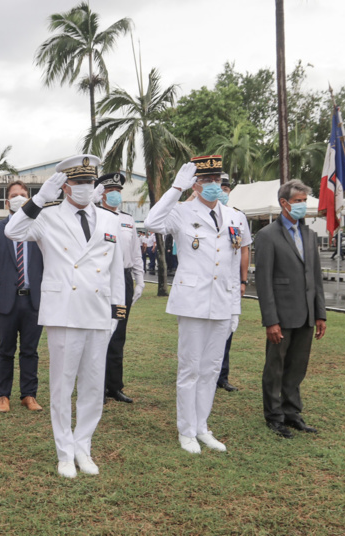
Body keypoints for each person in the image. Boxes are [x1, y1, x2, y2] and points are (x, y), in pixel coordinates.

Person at [6, 154, 125, 478]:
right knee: (62, 386)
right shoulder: (47, 216)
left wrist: (118, 313)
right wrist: (41, 197)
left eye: (89, 181)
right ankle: (64, 451)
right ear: (66, 185)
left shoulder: (111, 220)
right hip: (63, 313)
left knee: (92, 385)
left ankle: (83, 446)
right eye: (78, 182)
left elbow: (117, 272)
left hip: (100, 312)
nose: (85, 188)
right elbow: (13, 231)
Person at [144, 155, 241, 454]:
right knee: (190, 369)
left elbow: (235, 264)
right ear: (195, 184)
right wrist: (176, 188)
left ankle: (202, 426)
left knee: (211, 368)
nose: (213, 185)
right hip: (192, 302)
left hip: (223, 301)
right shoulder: (181, 211)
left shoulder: (236, 217)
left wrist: (235, 307)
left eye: (217, 180)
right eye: (206, 180)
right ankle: (186, 430)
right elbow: (151, 222)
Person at [254, 179, 326, 439]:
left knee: (297, 366)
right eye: (298, 202)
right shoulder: (267, 236)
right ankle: (274, 416)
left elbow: (315, 277)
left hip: (306, 313)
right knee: (275, 367)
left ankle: (292, 412)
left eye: (305, 201)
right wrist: (270, 321)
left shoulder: (308, 234)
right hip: (281, 316)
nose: (303, 206)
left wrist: (320, 313)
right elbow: (263, 283)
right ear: (284, 203)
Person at [0, 180, 44, 413]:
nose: (19, 198)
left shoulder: (39, 228)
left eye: (23, 195)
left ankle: (28, 395)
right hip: (6, 300)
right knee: (5, 350)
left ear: (29, 200)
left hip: (34, 300)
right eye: (14, 195)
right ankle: (3, 396)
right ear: (7, 202)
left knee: (30, 350)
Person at [94, 173, 145, 404]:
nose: (115, 194)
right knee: (98, 333)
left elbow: (135, 252)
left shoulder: (128, 220)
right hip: (100, 281)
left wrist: (139, 278)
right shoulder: (93, 217)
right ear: (101, 193)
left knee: (118, 333)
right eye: (110, 190)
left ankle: (114, 386)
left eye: (118, 190)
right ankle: (96, 387)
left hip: (123, 282)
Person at [216, 173, 252, 393]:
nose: (223, 192)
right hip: (208, 283)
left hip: (230, 283)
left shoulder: (238, 217)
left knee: (228, 328)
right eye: (219, 187)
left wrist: (243, 279)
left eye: (226, 189)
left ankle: (222, 375)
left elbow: (245, 249)